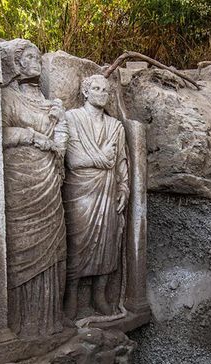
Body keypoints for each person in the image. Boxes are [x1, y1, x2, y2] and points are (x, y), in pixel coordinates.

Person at [0, 39, 69, 337]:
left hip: (50, 178)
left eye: (38, 56)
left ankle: (50, 320)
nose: (36, 60)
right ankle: (22, 323)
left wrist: (59, 121)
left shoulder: (48, 102)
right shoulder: (6, 98)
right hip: (21, 179)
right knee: (24, 245)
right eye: (30, 56)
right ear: (16, 63)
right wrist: (30, 135)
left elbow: (62, 139)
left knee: (53, 245)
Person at [62, 75, 129, 319]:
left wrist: (124, 188)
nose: (101, 93)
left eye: (106, 90)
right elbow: (74, 160)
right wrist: (101, 159)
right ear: (86, 92)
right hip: (79, 191)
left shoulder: (116, 126)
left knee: (108, 241)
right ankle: (70, 295)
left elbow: (120, 160)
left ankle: (99, 295)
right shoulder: (71, 118)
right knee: (76, 241)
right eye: (96, 88)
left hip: (108, 190)